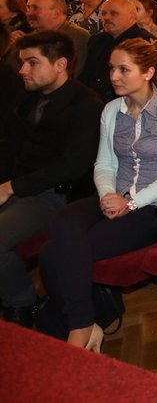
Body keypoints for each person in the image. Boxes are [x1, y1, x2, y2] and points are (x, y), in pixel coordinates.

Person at [40, 38, 157, 350]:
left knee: (52, 255)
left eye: (124, 69)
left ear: (148, 72)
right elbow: (104, 162)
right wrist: (108, 195)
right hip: (113, 196)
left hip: (153, 208)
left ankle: (76, 326)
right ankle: (85, 322)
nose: (114, 76)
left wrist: (131, 201)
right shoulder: (111, 110)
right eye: (112, 68)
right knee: (62, 221)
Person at [0, 31, 102, 328]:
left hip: (54, 194)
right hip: (19, 185)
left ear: (60, 65)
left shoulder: (86, 105)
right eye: (22, 63)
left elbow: (69, 167)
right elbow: (9, 145)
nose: (22, 70)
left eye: (32, 63)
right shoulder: (27, 95)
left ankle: (23, 302)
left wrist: (11, 187)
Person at [78, 0, 154, 102]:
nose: (107, 17)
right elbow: (85, 77)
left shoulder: (145, 43)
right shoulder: (96, 40)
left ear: (132, 17)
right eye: (103, 13)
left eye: (114, 13)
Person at [24, 0, 90, 73]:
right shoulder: (28, 39)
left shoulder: (78, 37)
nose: (29, 13)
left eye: (35, 8)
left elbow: (70, 75)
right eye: (28, 8)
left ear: (56, 13)